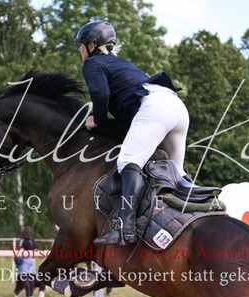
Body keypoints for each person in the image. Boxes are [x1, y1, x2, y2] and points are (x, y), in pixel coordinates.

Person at [75, 20, 190, 245]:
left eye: (81, 45)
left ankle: (124, 229)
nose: (80, 49)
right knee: (178, 174)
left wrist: (96, 119)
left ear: (91, 46)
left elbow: (101, 96)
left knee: (128, 162)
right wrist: (105, 125)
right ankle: (191, 217)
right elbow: (126, 122)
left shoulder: (93, 63)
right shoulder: (121, 64)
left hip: (155, 108)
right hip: (176, 106)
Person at [14, 226, 43, 297]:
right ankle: (31, 294)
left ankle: (28, 295)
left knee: (25, 278)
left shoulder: (23, 241)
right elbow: (35, 250)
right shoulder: (32, 241)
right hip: (32, 260)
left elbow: (21, 251)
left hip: (25, 261)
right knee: (31, 278)